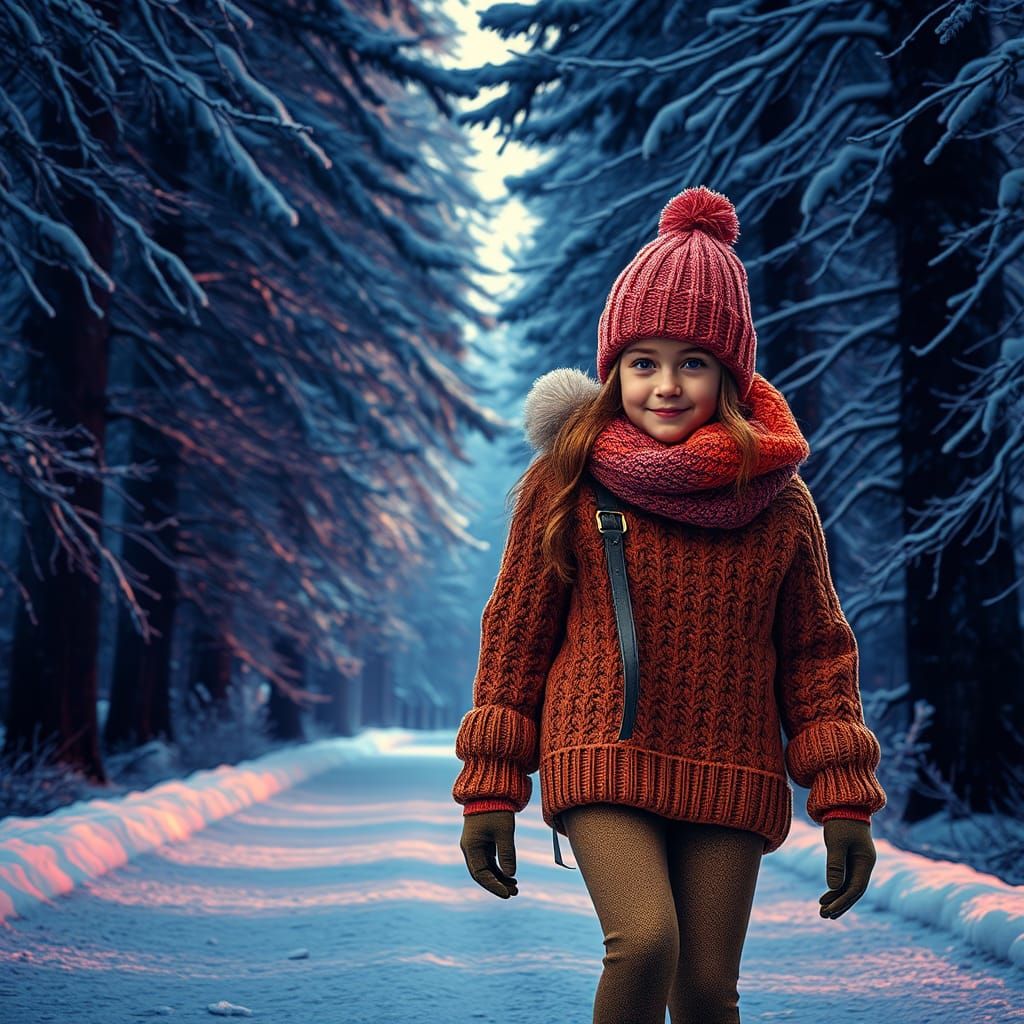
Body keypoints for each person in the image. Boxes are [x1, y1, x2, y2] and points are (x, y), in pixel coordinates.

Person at [451, 185, 886, 1024]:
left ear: (729, 372)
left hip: (732, 762)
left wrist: (844, 802)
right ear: (613, 370)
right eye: (642, 361)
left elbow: (817, 654)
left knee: (707, 991)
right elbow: (514, 640)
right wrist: (490, 788)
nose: (665, 384)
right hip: (602, 752)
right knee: (647, 941)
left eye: (693, 361)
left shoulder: (779, 501)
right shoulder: (565, 483)